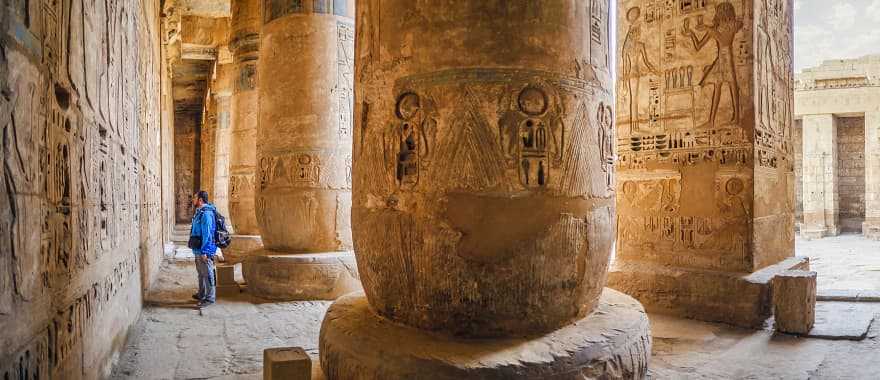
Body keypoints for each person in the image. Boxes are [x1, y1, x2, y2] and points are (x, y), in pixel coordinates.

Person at [190, 190, 218, 307]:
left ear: (200, 200)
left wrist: (205, 251)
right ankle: (201, 294)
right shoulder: (200, 212)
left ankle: (209, 298)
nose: (193, 199)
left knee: (207, 273)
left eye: (195, 197)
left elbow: (207, 234)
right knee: (201, 273)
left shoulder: (206, 214)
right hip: (198, 248)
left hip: (204, 249)